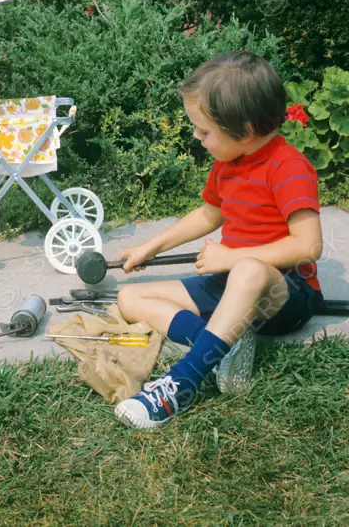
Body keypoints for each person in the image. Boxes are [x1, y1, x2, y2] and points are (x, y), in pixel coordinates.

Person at [113, 51, 324, 428]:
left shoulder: (288, 167)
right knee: (130, 298)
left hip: (283, 294)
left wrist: (232, 258)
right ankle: (225, 342)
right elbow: (210, 214)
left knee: (247, 270)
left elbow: (308, 246)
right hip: (232, 283)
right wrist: (151, 246)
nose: (196, 136)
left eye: (204, 130)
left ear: (244, 130)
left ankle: (183, 381)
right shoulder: (227, 165)